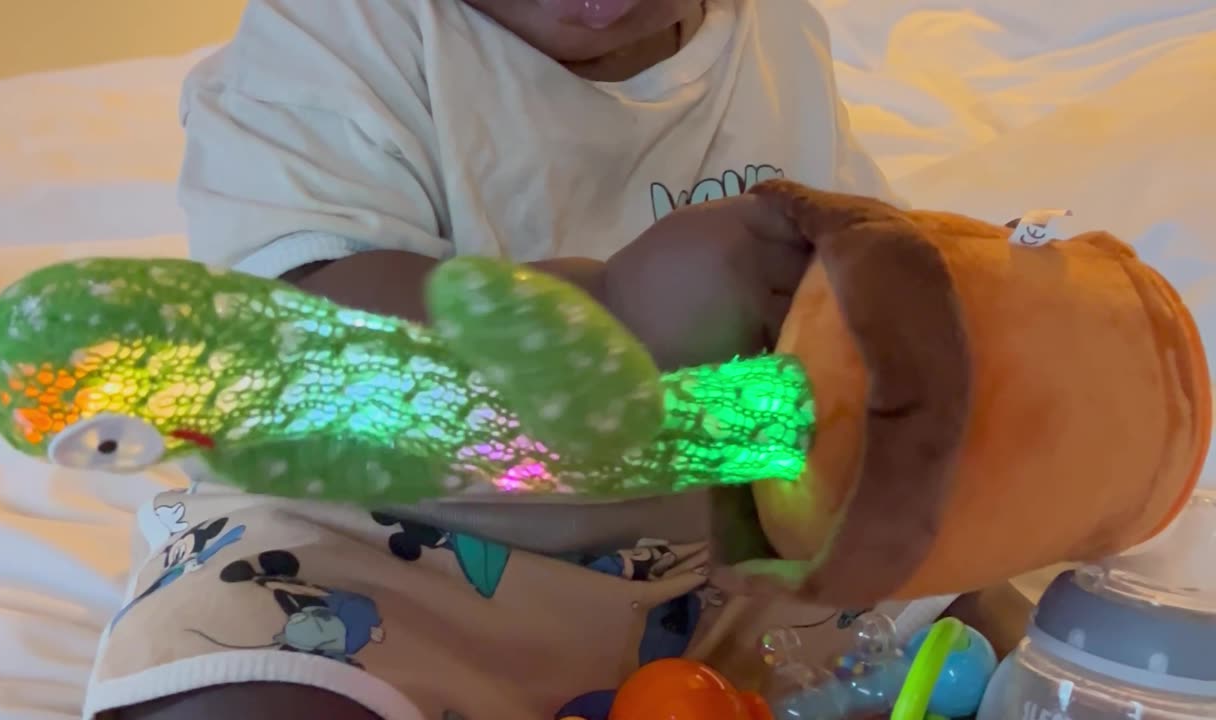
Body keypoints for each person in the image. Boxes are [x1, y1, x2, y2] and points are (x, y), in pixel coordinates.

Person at [83, 1, 1025, 718]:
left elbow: (858, 265)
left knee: (973, 597)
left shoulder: (771, 31)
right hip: (391, 531)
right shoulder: (342, 36)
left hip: (715, 520)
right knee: (245, 657)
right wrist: (615, 309)